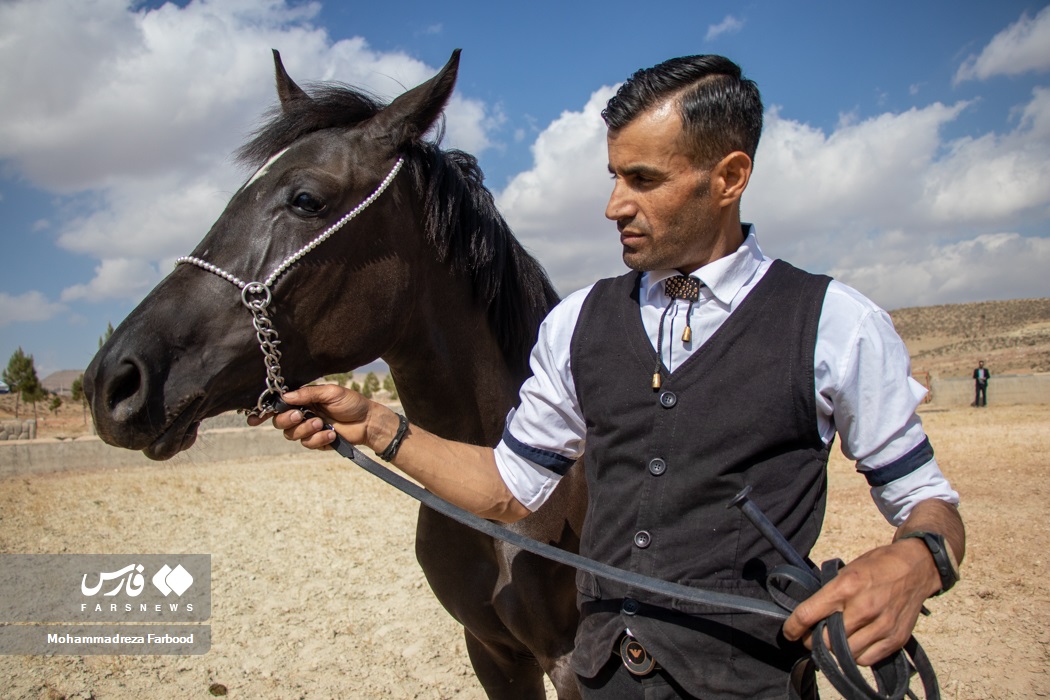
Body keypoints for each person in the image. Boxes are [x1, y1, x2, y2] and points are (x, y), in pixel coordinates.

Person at [256, 55, 965, 699]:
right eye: (615, 177)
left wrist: (918, 559)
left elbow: (928, 502)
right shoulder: (577, 325)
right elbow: (509, 490)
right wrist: (377, 425)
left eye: (643, 180)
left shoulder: (837, 324)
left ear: (729, 178)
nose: (614, 205)